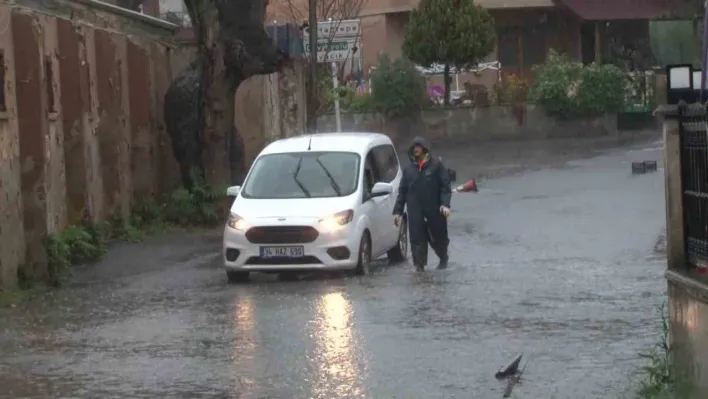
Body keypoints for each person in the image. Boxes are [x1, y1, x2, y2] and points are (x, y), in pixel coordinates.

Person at [393, 137, 452, 271]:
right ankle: (419, 268)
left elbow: (445, 186)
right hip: (415, 212)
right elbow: (402, 191)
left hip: (434, 211)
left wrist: (445, 204)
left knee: (438, 238)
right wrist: (398, 211)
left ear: (425, 149)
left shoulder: (436, 165)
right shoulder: (408, 170)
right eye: (414, 147)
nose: (416, 149)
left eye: (419, 147)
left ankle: (443, 258)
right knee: (417, 241)